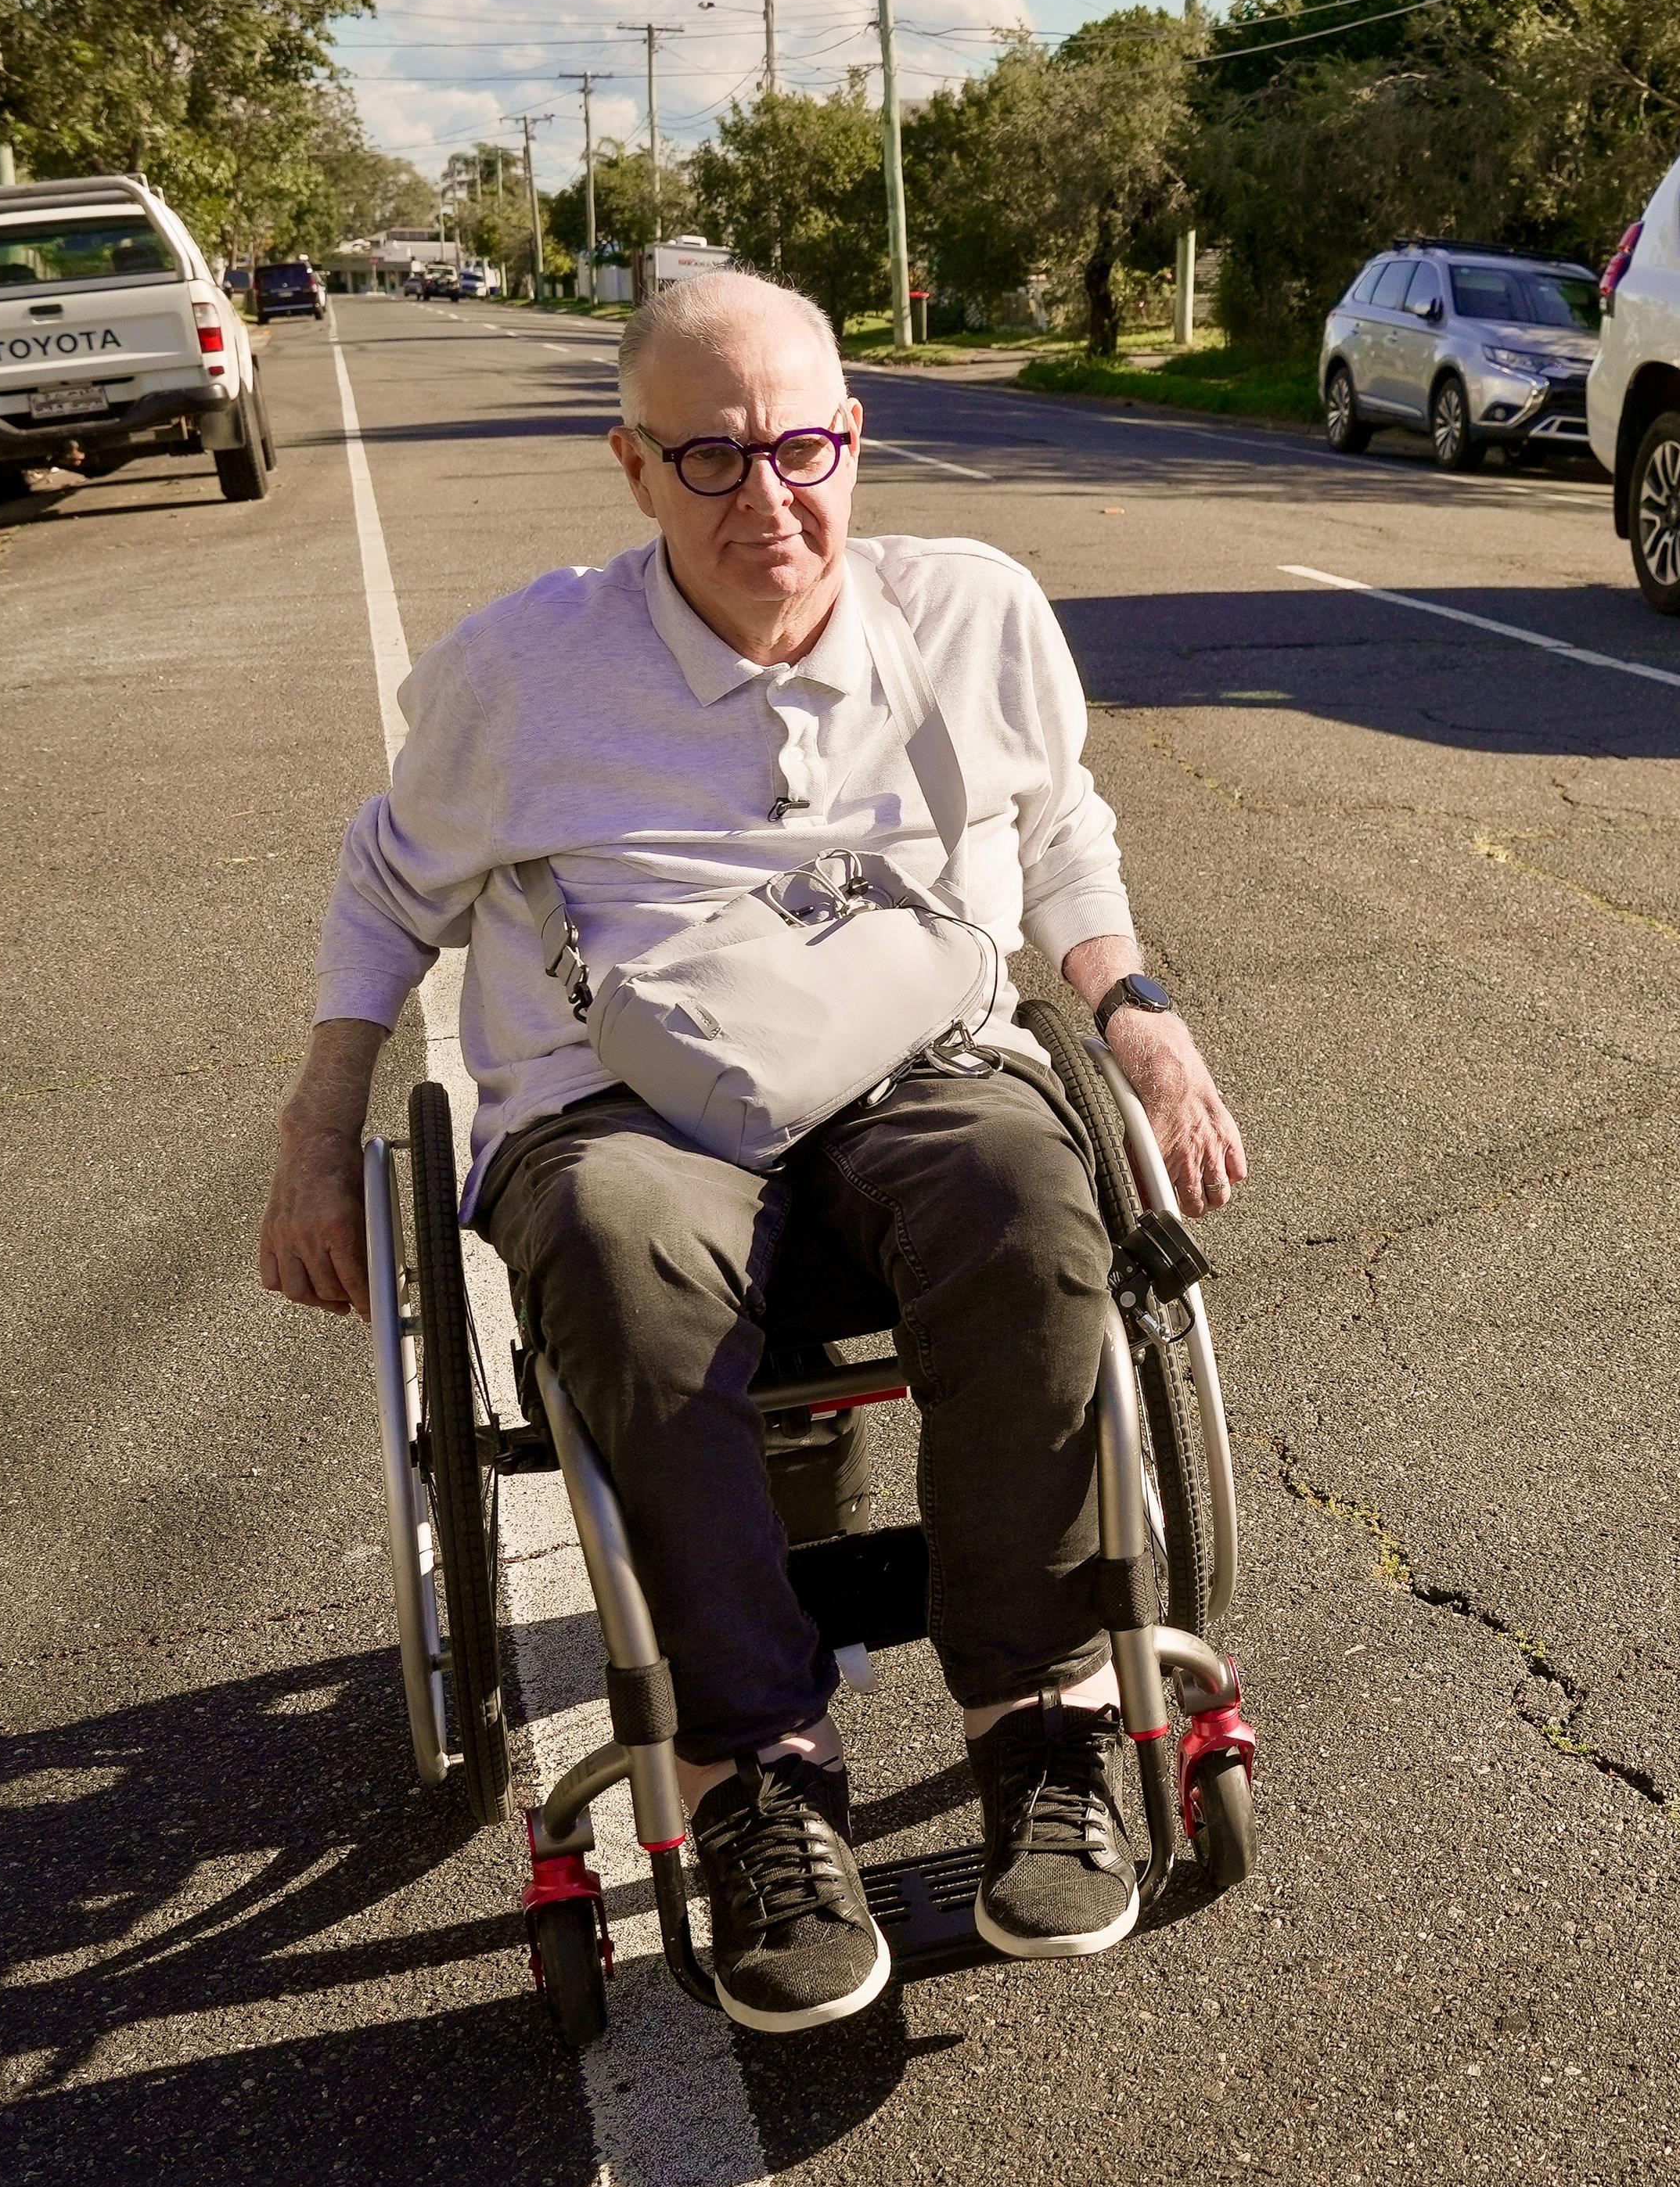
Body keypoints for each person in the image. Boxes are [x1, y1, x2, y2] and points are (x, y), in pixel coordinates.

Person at [255, 270, 1248, 2034]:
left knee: (1031, 1192)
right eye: (710, 458)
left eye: (801, 447)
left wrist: (1139, 1014)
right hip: (621, 1102)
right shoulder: (524, 669)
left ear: (853, 444)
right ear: (632, 468)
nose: (767, 498)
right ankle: (754, 1774)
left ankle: (1034, 1713)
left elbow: (1060, 824)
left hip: (913, 1060)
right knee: (629, 1271)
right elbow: (384, 886)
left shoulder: (973, 612)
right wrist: (318, 1132)